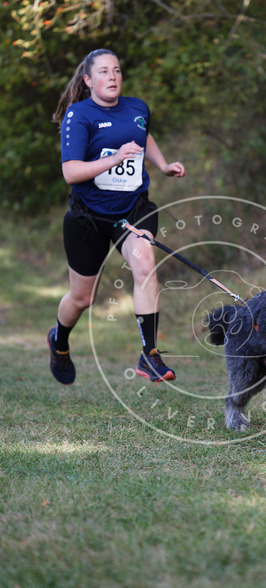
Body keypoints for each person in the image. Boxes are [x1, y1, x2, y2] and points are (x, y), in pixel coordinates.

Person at [47, 48, 185, 385]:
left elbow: (143, 135)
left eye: (117, 70)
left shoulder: (137, 108)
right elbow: (71, 172)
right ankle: (59, 340)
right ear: (88, 80)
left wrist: (163, 164)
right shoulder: (79, 115)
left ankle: (149, 354)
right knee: (83, 298)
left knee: (145, 264)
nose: (112, 77)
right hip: (89, 218)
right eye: (104, 72)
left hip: (133, 209)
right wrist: (113, 159)